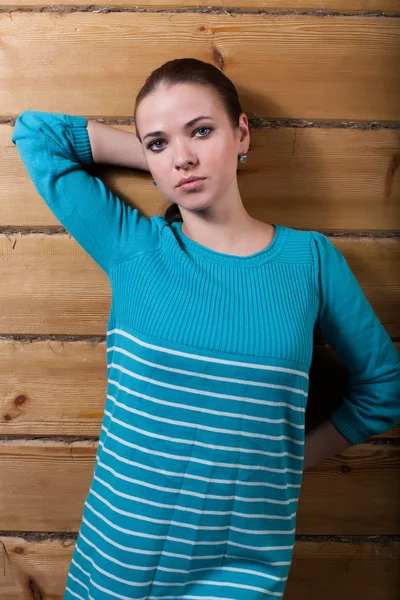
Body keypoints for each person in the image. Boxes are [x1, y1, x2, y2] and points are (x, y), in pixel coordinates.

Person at [11, 57, 400, 600]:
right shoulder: (135, 247)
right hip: (116, 558)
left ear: (242, 132)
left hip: (238, 570)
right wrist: (160, 159)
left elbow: (382, 390)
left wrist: (284, 459)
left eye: (201, 130)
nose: (184, 156)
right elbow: (37, 133)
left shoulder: (310, 261)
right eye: (159, 142)